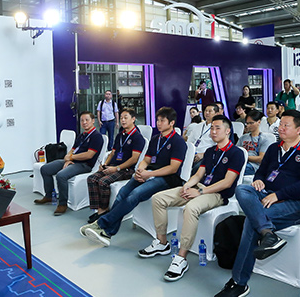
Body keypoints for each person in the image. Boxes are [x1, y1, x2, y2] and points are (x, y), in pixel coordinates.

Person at [215, 110, 300, 297]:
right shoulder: (274, 148)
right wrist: (258, 180)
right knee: (242, 189)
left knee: (251, 222)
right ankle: (268, 234)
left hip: (297, 204)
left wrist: (278, 195)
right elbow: (261, 171)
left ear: (299, 129)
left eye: (286, 125)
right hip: (266, 195)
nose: (280, 128)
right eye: (280, 124)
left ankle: (239, 282)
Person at [139, 115, 244, 281]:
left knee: (191, 208)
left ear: (227, 131)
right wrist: (187, 185)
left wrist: (201, 192)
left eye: (217, 128)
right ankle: (162, 242)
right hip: (199, 187)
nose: (213, 131)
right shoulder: (210, 152)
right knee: (159, 198)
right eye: (212, 128)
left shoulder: (236, 153)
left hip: (218, 194)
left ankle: (181, 257)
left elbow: (227, 182)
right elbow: (198, 174)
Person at [81, 107, 186, 247]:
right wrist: (140, 170)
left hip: (168, 179)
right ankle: (107, 233)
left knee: (135, 194)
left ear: (171, 123)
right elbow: (146, 160)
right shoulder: (156, 139)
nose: (158, 123)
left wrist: (149, 174)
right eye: (157, 120)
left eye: (162, 120)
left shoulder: (178, 142)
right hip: (148, 173)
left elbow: (173, 168)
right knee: (122, 192)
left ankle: (101, 224)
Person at [35, 111, 104, 215]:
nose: (84, 122)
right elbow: (73, 149)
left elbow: (89, 155)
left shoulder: (96, 136)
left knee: (61, 175)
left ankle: (63, 204)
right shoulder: (82, 135)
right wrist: (68, 158)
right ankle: (49, 196)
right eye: (82, 120)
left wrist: (71, 157)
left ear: (93, 121)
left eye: (87, 120)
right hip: (73, 161)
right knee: (45, 169)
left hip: (84, 165)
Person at [86, 108, 145, 223]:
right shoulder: (120, 135)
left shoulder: (137, 137)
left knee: (103, 181)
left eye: (125, 118)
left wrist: (117, 168)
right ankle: (99, 210)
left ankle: (104, 210)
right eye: (121, 118)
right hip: (113, 166)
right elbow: (112, 153)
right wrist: (105, 164)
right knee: (92, 178)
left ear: (133, 119)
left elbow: (134, 159)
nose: (123, 120)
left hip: (126, 169)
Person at [237, 109, 275, 175]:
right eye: (247, 123)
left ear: (259, 122)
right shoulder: (243, 137)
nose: (248, 126)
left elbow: (261, 158)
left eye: (251, 123)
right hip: (242, 163)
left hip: (254, 166)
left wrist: (244, 157)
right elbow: (236, 152)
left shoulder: (265, 138)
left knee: (236, 169)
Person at [186, 104, 219, 172]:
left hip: (206, 155)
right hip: (192, 154)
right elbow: (189, 141)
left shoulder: (218, 128)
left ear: (216, 114)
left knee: (197, 168)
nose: (207, 113)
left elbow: (218, 147)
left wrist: (203, 154)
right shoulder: (198, 126)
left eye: (210, 111)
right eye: (206, 111)